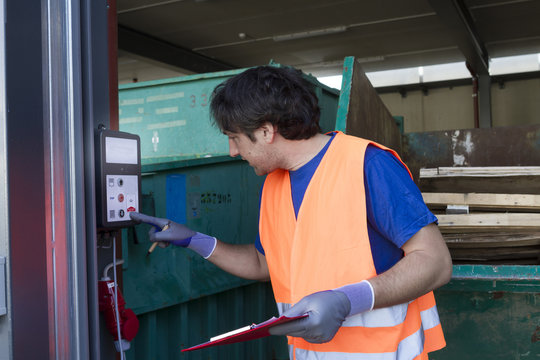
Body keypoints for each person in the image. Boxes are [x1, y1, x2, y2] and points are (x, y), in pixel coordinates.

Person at [130, 65, 453, 359]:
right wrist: (196, 241)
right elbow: (264, 263)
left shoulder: (368, 164)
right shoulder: (275, 181)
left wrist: (346, 301)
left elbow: (435, 263)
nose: (232, 151)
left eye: (234, 138)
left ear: (267, 131)